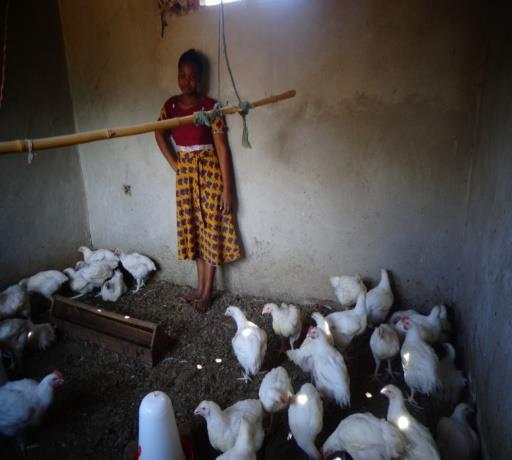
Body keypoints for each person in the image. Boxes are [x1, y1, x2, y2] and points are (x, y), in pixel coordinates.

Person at [155, 49, 241, 313]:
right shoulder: (169, 106)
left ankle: (208, 292)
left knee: (210, 230)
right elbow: (159, 134)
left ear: (201, 79)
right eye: (182, 75)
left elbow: (222, 149)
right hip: (186, 179)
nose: (187, 80)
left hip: (210, 174)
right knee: (193, 227)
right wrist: (174, 162)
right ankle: (199, 286)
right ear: (177, 76)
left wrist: (228, 189)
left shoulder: (210, 107)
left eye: (193, 76)